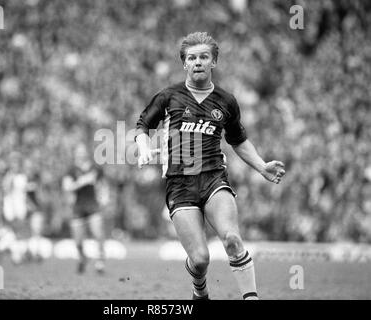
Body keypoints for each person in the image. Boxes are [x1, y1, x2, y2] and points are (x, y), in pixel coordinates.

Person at [135, 32, 285, 300]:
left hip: (214, 178)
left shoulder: (226, 101)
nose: (198, 62)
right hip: (179, 184)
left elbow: (238, 140)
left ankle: (251, 297)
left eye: (204, 57)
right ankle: (199, 289)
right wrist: (145, 146)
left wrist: (261, 166)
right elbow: (143, 125)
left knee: (232, 240)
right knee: (201, 259)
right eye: (191, 58)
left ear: (214, 61)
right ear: (184, 64)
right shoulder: (169, 96)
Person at [62, 144, 106, 274]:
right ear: (75, 154)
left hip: (92, 205)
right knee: (78, 241)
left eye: (83, 152)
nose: (81, 154)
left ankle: (100, 260)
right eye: (79, 152)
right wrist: (83, 181)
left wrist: (105, 197)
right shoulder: (71, 170)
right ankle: (82, 258)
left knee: (98, 233)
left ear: (87, 153)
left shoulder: (96, 168)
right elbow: (67, 187)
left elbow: (103, 184)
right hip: (78, 206)